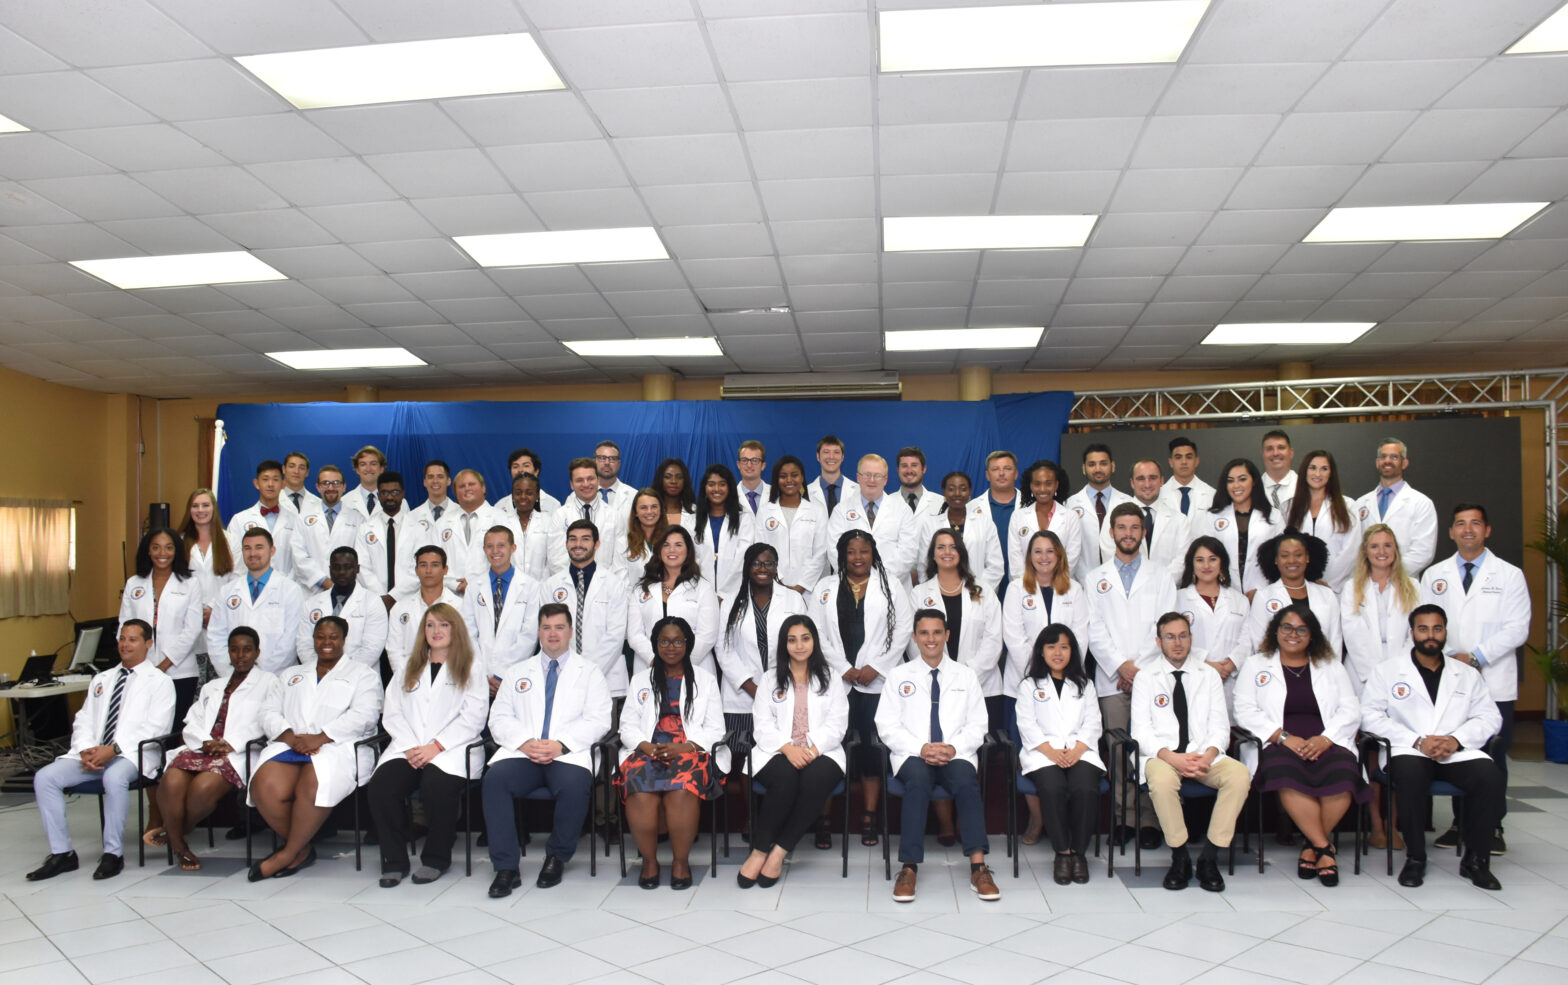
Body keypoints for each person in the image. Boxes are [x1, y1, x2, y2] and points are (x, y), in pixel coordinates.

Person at [1361, 604, 1504, 890]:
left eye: (1437, 629)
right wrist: (1418, 741)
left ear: (1445, 632)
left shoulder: (1466, 673)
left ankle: (1476, 860)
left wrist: (1456, 740)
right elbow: (1370, 715)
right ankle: (1416, 858)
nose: (1431, 635)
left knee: (1489, 777)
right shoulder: (1387, 671)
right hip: (1410, 748)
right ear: (1412, 632)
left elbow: (1490, 716)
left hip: (1456, 751)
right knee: (1411, 775)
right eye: (1423, 629)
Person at [27, 619, 176, 882]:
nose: (125, 644)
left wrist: (114, 749)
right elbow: (84, 718)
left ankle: (113, 854)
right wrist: (86, 749)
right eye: (122, 638)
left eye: (133, 639)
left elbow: (156, 728)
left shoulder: (160, 682)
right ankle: (62, 853)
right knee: (45, 777)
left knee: (114, 777)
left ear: (148, 644)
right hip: (94, 754)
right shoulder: (102, 679)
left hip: (132, 755)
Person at [1419, 504, 1529, 855]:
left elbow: (1518, 628)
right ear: (1450, 532)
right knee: (1456, 753)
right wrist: (1453, 657)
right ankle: (1458, 822)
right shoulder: (1434, 575)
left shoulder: (1509, 575)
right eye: (1461, 524)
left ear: (1487, 530)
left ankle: (1492, 825)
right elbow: (1425, 624)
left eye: (1475, 524)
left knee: (1493, 754)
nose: (1468, 530)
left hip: (1493, 678)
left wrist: (1476, 656)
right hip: (1449, 678)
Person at [1233, 605, 1366, 887]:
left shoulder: (1330, 665)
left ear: (1312, 635)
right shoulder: (1257, 664)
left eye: (1301, 629)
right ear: (1275, 631)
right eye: (1287, 628)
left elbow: (1350, 709)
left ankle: (1312, 846)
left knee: (1344, 773)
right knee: (1285, 773)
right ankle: (1323, 848)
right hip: (1279, 742)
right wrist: (1282, 737)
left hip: (1327, 740)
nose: (1293, 634)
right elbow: (1243, 710)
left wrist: (1326, 738)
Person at [484, 604, 613, 895]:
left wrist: (560, 744)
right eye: (546, 627)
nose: (552, 634)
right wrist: (524, 743)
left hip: (568, 753)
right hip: (523, 752)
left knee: (575, 785)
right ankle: (506, 867)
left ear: (570, 632)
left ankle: (556, 857)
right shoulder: (517, 672)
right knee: (495, 781)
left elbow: (599, 719)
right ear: (538, 632)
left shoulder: (590, 672)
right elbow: (499, 717)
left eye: (559, 627)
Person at [877, 609, 999, 903]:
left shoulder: (965, 675)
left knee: (967, 783)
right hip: (913, 753)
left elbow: (978, 724)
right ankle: (908, 868)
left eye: (936, 632)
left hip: (956, 752)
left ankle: (978, 866)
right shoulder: (898, 676)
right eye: (924, 633)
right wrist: (922, 748)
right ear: (914, 638)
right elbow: (886, 724)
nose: (930, 639)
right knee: (917, 782)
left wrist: (953, 748)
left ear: (947, 635)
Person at [248, 616, 383, 880]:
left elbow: (366, 715)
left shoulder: (362, 675)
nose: (326, 642)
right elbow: (267, 711)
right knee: (263, 787)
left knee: (313, 785)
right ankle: (300, 848)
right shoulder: (291, 674)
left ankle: (287, 855)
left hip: (336, 747)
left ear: (344, 641)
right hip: (291, 744)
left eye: (333, 637)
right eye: (321, 637)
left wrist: (321, 737)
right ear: (313, 640)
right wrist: (289, 735)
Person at [367, 603, 488, 887]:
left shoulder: (471, 666)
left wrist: (437, 746)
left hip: (451, 749)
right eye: (430, 625)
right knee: (382, 787)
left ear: (455, 629)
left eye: (444, 624)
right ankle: (394, 861)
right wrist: (410, 746)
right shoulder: (409, 666)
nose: (436, 631)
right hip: (408, 747)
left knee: (437, 787)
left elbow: (474, 717)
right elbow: (392, 711)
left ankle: (435, 859)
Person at [1131, 612, 1250, 893]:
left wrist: (1206, 757)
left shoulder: (1208, 675)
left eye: (1183, 635)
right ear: (1159, 641)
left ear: (1191, 638)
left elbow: (1220, 727)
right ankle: (1180, 855)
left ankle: (1210, 856)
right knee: (1161, 782)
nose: (1178, 642)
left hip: (1202, 755)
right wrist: (1173, 759)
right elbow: (1140, 731)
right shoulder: (1146, 677)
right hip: (1162, 756)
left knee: (1239, 775)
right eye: (1170, 637)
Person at [814, 530, 915, 844]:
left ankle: (870, 819)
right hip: (838, 683)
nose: (858, 558)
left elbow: (903, 630)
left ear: (873, 554)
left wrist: (879, 667)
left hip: (877, 683)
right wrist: (844, 668)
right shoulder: (825, 587)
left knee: (873, 752)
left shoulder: (891, 585)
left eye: (864, 552)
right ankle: (825, 820)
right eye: (851, 552)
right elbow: (816, 631)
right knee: (832, 751)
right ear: (841, 556)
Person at [156, 627, 283, 871]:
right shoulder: (213, 685)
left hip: (237, 751)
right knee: (171, 781)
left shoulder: (269, 682)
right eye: (234, 650)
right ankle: (179, 843)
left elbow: (268, 720)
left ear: (257, 652)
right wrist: (204, 741)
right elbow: (192, 720)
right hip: (201, 747)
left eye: (247, 650)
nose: (241, 656)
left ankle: (176, 831)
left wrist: (230, 742)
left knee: (202, 787)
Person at [617, 616, 728, 890]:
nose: (671, 647)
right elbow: (627, 725)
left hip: (690, 750)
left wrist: (685, 747)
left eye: (678, 641)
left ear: (687, 644)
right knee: (640, 789)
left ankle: (680, 862)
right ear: (655, 644)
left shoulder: (706, 680)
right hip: (648, 748)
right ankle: (650, 861)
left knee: (682, 789)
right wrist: (645, 746)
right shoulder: (640, 680)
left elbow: (716, 729)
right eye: (664, 641)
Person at [738, 614, 849, 886]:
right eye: (792, 640)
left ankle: (778, 851)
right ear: (784, 644)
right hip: (777, 750)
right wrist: (788, 748)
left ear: (814, 641)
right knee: (785, 779)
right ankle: (760, 849)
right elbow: (762, 725)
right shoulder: (768, 679)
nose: (799, 645)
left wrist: (812, 750)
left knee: (814, 779)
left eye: (805, 638)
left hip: (822, 751)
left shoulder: (831, 678)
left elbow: (837, 724)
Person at [1088, 504, 1176, 847]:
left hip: (1151, 678)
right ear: (1110, 533)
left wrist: (1139, 670)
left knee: (1152, 750)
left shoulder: (1162, 575)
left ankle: (1152, 821)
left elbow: (1167, 627)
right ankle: (1124, 819)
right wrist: (1120, 666)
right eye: (1121, 527)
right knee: (1118, 752)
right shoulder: (1094, 578)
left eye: (1134, 527)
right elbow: (1093, 629)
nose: (1128, 533)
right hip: (1112, 679)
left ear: (1143, 532)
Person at [1002, 530, 1090, 845]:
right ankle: (1037, 820)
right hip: (1023, 682)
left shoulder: (1075, 590)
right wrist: (1041, 669)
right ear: (1029, 557)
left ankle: (1061, 825)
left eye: (1050, 551)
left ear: (1060, 556)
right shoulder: (1016, 589)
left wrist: (1060, 665)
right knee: (1029, 753)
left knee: (1064, 748)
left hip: (1067, 682)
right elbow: (1013, 635)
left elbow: (1080, 635)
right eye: (1037, 552)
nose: (1043, 557)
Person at [1016, 624, 1105, 885]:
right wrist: (1052, 753)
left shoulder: (1085, 684)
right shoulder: (1029, 685)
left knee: (1085, 789)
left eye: (1064, 647)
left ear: (1072, 652)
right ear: (1041, 652)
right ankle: (1062, 854)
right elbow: (1026, 724)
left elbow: (1093, 723)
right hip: (1044, 752)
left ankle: (1079, 853)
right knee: (1052, 787)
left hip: (1081, 751)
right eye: (1051, 646)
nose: (1058, 652)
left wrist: (1076, 751)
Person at [911, 530, 1003, 730]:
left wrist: (966, 675)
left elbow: (993, 639)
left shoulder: (983, 591)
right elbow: (915, 642)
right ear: (932, 555)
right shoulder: (919, 594)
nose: (947, 552)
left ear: (961, 552)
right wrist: (943, 675)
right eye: (941, 547)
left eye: (953, 547)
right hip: (933, 684)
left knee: (978, 751)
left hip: (982, 684)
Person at [717, 544, 807, 740]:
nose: (763, 568)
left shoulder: (793, 599)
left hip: (783, 687)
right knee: (739, 756)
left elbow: (803, 646)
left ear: (776, 567)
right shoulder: (731, 602)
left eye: (769, 563)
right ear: (747, 567)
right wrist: (751, 687)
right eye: (756, 563)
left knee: (781, 750)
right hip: (741, 694)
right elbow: (724, 650)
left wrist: (778, 683)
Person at [120, 526, 204, 725]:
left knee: (173, 730)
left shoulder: (190, 583)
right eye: (156, 548)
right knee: (142, 727)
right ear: (148, 550)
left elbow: (192, 630)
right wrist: (142, 664)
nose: (162, 554)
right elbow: (124, 625)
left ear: (176, 551)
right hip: (140, 670)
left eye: (169, 548)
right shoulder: (134, 583)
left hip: (180, 672)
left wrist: (163, 665)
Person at [540, 520, 630, 705]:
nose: (578, 544)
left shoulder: (613, 584)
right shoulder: (551, 585)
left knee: (604, 732)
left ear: (597, 544)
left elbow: (615, 635)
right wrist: (568, 669)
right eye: (572, 539)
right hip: (561, 675)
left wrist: (586, 672)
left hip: (605, 676)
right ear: (566, 544)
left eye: (585, 539)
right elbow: (548, 633)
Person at [206, 528, 305, 676]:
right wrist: (231, 673)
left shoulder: (290, 590)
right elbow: (216, 637)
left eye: (259, 547)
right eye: (247, 548)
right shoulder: (227, 591)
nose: (252, 554)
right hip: (233, 677)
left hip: (276, 677)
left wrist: (259, 677)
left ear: (272, 551)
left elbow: (289, 642)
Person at [1237, 530, 1344, 664]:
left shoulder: (1326, 595)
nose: (1292, 560)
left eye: (1298, 555)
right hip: (1279, 673)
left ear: (1307, 557)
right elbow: (1261, 643)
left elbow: (1335, 640)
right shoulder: (1263, 597)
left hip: (1322, 672)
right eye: (1284, 555)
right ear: (1276, 559)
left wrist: (1331, 672)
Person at [629, 526, 720, 676]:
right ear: (659, 550)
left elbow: (707, 635)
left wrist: (680, 664)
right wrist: (654, 661)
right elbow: (635, 634)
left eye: (678, 545)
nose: (672, 550)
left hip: (694, 668)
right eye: (666, 545)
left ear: (688, 551)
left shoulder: (703, 588)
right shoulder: (641, 589)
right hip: (649, 667)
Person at [1339, 524, 1418, 694]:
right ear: (1365, 552)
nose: (1382, 552)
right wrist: (1374, 673)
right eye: (1374, 546)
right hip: (1362, 672)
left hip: (1403, 668)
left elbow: (1416, 631)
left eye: (1387, 545)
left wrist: (1399, 669)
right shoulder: (1351, 588)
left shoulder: (1414, 587)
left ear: (1395, 550)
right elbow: (1353, 633)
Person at [1190, 458, 1283, 597]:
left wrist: (1262, 591)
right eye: (1230, 480)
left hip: (1265, 592)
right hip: (1223, 593)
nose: (1236, 485)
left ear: (1254, 481)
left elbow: (1282, 556)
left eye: (1242, 479)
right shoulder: (1211, 517)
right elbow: (1201, 557)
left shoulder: (1274, 516)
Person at [463, 526, 542, 689]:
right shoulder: (474, 587)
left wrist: (501, 674)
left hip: (515, 674)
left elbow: (529, 636)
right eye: (490, 546)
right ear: (484, 549)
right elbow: (468, 633)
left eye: (501, 545)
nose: (495, 551)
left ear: (513, 548)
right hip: (480, 677)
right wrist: (483, 674)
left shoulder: (531, 586)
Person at [1175, 538, 1250, 703]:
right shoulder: (1178, 599)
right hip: (1193, 678)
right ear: (1191, 564)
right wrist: (1205, 663)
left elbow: (1247, 640)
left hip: (1231, 680)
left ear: (1222, 562)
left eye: (1213, 559)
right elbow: (1175, 640)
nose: (1206, 565)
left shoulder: (1240, 600)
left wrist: (1230, 664)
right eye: (1200, 560)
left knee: (1230, 724)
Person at [226, 459, 317, 588]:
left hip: (286, 588)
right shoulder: (239, 520)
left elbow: (300, 557)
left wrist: (286, 584)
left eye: (275, 479)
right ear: (256, 483)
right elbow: (234, 560)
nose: (270, 484)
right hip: (250, 587)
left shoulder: (295, 519)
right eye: (265, 479)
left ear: (283, 484)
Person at [827, 453, 920, 581]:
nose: (872, 480)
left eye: (877, 475)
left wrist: (879, 579)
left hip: (893, 586)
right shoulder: (841, 511)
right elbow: (834, 550)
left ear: (885, 480)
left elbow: (908, 553)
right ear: (858, 477)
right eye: (867, 475)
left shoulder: (903, 510)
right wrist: (860, 578)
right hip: (853, 584)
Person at [1353, 438, 1438, 575]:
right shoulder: (1361, 503)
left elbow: (1423, 552)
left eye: (1394, 457)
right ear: (1377, 463)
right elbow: (1355, 547)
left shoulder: (1421, 503)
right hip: (1366, 581)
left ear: (1404, 463)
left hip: (1403, 582)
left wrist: (1388, 573)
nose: (1388, 461)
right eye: (1383, 456)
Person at [298, 547, 390, 670]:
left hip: (359, 677)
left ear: (357, 569)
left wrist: (341, 672)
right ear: (330, 570)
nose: (341, 572)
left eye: (347, 567)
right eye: (336, 567)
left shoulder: (373, 602)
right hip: (318, 675)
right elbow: (305, 646)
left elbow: (371, 649)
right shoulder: (311, 604)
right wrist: (322, 670)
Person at [1096, 459, 1188, 579]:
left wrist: (1159, 583)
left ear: (1162, 481)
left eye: (1153, 478)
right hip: (1126, 589)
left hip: (1166, 590)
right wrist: (1139, 584)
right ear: (1132, 483)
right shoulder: (1113, 517)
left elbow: (1182, 561)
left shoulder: (1180, 520)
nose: (1147, 484)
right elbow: (1110, 554)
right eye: (1141, 479)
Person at [1282, 450, 1359, 590]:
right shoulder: (1288, 507)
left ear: (1331, 473)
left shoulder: (1348, 506)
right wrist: (1305, 580)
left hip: (1336, 587)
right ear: (1304, 471)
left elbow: (1351, 551)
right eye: (1312, 468)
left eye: (1324, 469)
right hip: (1299, 586)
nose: (1317, 474)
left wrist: (1327, 582)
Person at [916, 471, 1003, 593]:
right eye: (951, 489)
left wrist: (978, 590)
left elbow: (995, 566)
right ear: (944, 492)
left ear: (970, 492)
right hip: (940, 593)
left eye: (963, 489)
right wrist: (934, 592)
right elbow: (924, 564)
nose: (957, 494)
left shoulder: (984, 523)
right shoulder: (931, 524)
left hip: (977, 593)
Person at [386, 546, 464, 678]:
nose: (428, 571)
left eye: (434, 565)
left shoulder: (460, 607)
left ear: (445, 570)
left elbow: (464, 648)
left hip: (449, 679)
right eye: (423, 565)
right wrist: (407, 677)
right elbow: (394, 650)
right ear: (416, 570)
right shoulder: (400, 608)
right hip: (409, 677)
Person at [755, 456, 829, 594]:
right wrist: (779, 581)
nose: (789, 480)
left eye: (794, 475)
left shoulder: (817, 510)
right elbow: (760, 550)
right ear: (777, 480)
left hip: (808, 590)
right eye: (783, 476)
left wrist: (801, 586)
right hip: (774, 586)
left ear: (802, 478)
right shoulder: (765, 511)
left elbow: (821, 553)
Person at [1006, 458, 1083, 591]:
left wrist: (1052, 585)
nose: (1043, 489)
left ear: (1056, 485)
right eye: (1037, 483)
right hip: (1026, 588)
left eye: (1048, 483)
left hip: (1061, 588)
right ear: (1030, 485)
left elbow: (1071, 558)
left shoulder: (1070, 517)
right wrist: (1029, 586)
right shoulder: (1018, 516)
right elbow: (1015, 559)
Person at [1065, 444, 1132, 586]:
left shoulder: (1128, 502)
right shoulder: (1069, 505)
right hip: (1081, 581)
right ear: (1084, 469)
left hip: (1122, 580)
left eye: (1103, 463)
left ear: (1113, 466)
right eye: (1092, 464)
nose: (1098, 469)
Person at [428, 468, 501, 595]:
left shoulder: (499, 518)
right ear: (455, 493)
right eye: (462, 486)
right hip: (450, 593)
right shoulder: (442, 523)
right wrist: (454, 584)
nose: (467, 489)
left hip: (489, 591)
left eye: (472, 484)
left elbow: (506, 559)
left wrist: (476, 583)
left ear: (483, 488)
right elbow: (434, 560)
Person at [693, 463, 755, 603]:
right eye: (711, 484)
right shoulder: (692, 520)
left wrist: (725, 593)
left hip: (734, 592)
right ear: (704, 488)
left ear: (730, 488)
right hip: (699, 593)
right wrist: (706, 592)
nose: (716, 489)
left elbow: (743, 558)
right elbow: (691, 558)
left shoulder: (744, 519)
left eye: (722, 484)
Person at [355, 470, 418, 607]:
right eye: (384, 493)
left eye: (395, 492)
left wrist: (394, 596)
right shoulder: (365, 529)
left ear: (403, 494)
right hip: (374, 599)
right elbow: (362, 567)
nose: (390, 497)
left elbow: (419, 567)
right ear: (378, 496)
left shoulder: (418, 529)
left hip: (408, 599)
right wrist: (382, 597)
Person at [550, 457, 625, 572]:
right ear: (571, 484)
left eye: (590, 479)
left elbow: (620, 561)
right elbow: (556, 560)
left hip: (606, 585)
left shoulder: (615, 516)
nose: (586, 484)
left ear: (598, 480)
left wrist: (605, 584)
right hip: (571, 584)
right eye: (579, 480)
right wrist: (577, 582)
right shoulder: (560, 516)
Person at [295, 464, 363, 590]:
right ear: (318, 487)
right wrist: (323, 581)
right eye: (325, 483)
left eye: (336, 483)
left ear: (344, 487)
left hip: (347, 587)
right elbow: (298, 555)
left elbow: (361, 556)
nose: (331, 487)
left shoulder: (357, 518)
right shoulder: (303, 518)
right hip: (312, 590)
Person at [178, 487, 231, 639]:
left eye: (205, 505)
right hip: (187, 615)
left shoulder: (230, 540)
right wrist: (196, 611)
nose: (200, 510)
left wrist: (213, 608)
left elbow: (236, 579)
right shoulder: (179, 542)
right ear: (189, 510)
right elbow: (176, 580)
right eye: (195, 506)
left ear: (214, 508)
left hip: (221, 613)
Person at [973, 451, 1021, 595]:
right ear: (987, 475)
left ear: (1016, 473)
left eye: (1007, 468)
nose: (1001, 473)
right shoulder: (971, 508)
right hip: (983, 584)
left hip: (1024, 582)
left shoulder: (1031, 507)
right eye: (995, 469)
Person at [504, 472, 552, 581]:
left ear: (537, 495)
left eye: (529, 493)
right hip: (510, 586)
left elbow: (553, 560)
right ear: (512, 495)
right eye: (518, 493)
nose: (523, 497)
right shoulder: (503, 522)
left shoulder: (548, 522)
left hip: (541, 587)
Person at [615, 488, 667, 582]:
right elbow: (620, 582)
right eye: (643, 507)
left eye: (654, 506)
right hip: (632, 595)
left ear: (661, 510)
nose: (649, 512)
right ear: (636, 512)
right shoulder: (623, 543)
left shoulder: (671, 540)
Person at [493, 447, 562, 517]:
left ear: (536, 471)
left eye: (526, 465)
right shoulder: (500, 506)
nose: (520, 470)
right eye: (515, 466)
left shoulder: (553, 505)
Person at [1160, 437, 1215, 517]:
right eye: (1178, 457)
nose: (1184, 462)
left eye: (1189, 457)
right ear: (1171, 462)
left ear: (1197, 461)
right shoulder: (1159, 494)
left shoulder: (1212, 495)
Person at [402, 459, 454, 537]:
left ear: (448, 481)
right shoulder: (412, 517)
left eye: (440, 476)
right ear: (424, 482)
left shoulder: (460, 513)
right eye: (430, 477)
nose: (435, 481)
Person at [809, 435, 858, 516]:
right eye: (826, 452)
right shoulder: (806, 494)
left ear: (842, 457)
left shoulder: (858, 491)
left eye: (836, 452)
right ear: (818, 456)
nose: (831, 457)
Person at [895, 446, 944, 525]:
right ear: (898, 470)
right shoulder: (886, 503)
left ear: (924, 469)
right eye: (904, 466)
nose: (909, 471)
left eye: (914, 465)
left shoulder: (940, 503)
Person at [344, 445, 387, 523]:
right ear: (357, 469)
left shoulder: (399, 502)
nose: (368, 469)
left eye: (373, 464)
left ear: (381, 469)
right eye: (363, 464)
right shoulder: (345, 502)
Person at [653, 457, 698, 529]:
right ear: (660, 479)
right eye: (668, 477)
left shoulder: (695, 511)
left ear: (685, 481)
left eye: (679, 477)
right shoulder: (650, 510)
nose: (673, 481)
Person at [593, 440, 638, 512]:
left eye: (612, 459)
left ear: (619, 464)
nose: (607, 463)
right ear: (594, 462)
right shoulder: (580, 495)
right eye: (602, 458)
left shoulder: (633, 496)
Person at [1259, 429, 1297, 510]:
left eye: (1281, 447)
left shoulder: (1305, 487)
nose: (1275, 453)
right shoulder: (1253, 489)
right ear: (1263, 455)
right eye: (1269, 449)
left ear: (1291, 453)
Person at [280, 451, 323, 517]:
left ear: (307, 472)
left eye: (302, 468)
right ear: (284, 469)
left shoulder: (319, 503)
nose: (296, 471)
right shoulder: (272, 501)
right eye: (292, 466)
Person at [737, 440, 769, 514]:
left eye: (754, 460)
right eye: (744, 460)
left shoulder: (776, 495)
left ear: (763, 465)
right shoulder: (729, 497)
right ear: (738, 465)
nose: (749, 465)